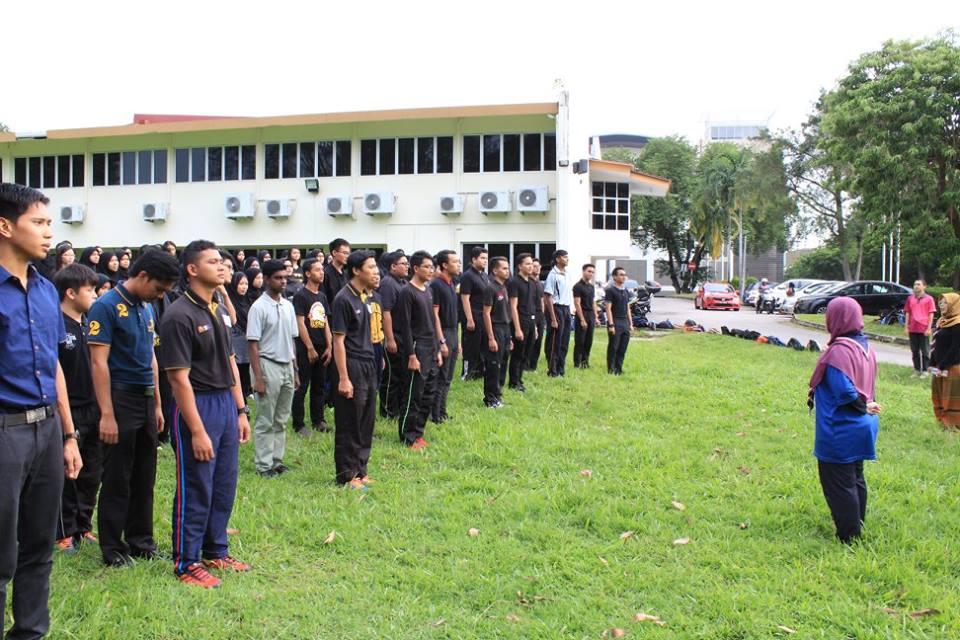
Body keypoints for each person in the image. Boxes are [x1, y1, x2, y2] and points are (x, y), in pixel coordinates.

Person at [0, 183, 82, 639]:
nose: (49, 233)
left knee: (39, 546)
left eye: (50, 223)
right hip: (5, 433)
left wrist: (68, 436)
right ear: (6, 226)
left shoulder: (47, 291)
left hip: (46, 429)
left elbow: (53, 367)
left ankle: (30, 632)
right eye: (39, 222)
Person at [159, 240, 252, 589]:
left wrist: (241, 409)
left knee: (224, 482)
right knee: (196, 484)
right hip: (197, 405)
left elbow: (230, 363)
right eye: (213, 261)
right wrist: (196, 430)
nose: (222, 266)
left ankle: (216, 549)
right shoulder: (179, 314)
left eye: (223, 261)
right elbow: (177, 378)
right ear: (192, 269)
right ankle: (187, 561)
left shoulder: (218, 309)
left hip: (225, 404)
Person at [88, 249, 180, 566]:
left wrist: (156, 402)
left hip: (144, 398)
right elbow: (98, 364)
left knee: (145, 474)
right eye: (159, 289)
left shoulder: (146, 308)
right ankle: (113, 547)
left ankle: (141, 541)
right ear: (142, 276)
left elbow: (151, 358)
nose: (160, 295)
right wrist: (107, 414)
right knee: (117, 475)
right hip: (119, 396)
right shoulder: (106, 307)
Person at [807, 297, 881, 544]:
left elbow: (844, 390)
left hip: (841, 429)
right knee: (855, 477)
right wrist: (867, 406)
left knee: (839, 483)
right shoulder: (865, 347)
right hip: (863, 427)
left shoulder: (839, 351)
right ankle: (856, 525)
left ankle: (848, 536)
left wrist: (862, 406)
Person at [54, 264, 103, 554]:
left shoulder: (89, 325)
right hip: (67, 409)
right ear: (71, 293)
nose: (95, 295)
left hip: (93, 408)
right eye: (90, 289)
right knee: (67, 473)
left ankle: (83, 526)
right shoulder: (57, 326)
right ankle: (63, 531)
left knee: (92, 472)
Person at [331, 250, 380, 488]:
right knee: (350, 420)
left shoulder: (368, 297)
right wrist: (343, 377)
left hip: (369, 362)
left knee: (367, 420)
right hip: (351, 364)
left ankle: (362, 469)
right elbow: (338, 340)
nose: (376, 272)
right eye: (371, 267)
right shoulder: (343, 298)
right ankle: (347, 474)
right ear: (356, 271)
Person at [247, 260, 298, 478]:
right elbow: (252, 344)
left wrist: (295, 370)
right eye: (278, 277)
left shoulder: (288, 305)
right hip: (267, 365)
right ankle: (264, 465)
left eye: (285, 277)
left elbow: (292, 340)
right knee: (266, 419)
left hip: (287, 364)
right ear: (267, 280)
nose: (283, 281)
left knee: (281, 418)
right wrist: (258, 377)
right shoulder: (258, 307)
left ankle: (277, 461)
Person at [394, 251, 441, 449]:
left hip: (430, 346)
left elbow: (431, 321)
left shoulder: (428, 290)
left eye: (432, 267)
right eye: (427, 267)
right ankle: (407, 435)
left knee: (428, 393)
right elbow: (404, 326)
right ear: (415, 268)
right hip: (416, 347)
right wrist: (411, 355)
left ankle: (419, 432)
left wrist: (438, 349)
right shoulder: (407, 292)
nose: (431, 270)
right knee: (414, 393)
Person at [292, 257, 332, 436]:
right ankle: (299, 424)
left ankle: (318, 420)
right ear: (307, 273)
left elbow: (325, 322)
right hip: (306, 348)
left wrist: (330, 346)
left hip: (323, 347)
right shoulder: (301, 296)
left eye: (322, 269)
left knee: (319, 386)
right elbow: (300, 323)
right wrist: (309, 347)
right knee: (302, 386)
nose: (321, 272)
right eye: (317, 270)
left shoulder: (322, 296)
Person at [430, 250, 461, 423]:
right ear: (444, 265)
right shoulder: (436, 285)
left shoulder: (451, 284)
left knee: (448, 377)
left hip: (453, 332)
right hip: (443, 333)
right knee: (440, 377)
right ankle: (435, 415)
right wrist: (441, 341)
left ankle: (442, 411)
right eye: (455, 262)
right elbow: (435, 315)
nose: (458, 265)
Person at [379, 251, 409, 419]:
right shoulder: (388, 284)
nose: (407, 266)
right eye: (403, 264)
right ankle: (388, 411)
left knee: (401, 375)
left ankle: (397, 408)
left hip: (403, 336)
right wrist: (390, 339)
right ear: (393, 266)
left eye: (407, 263)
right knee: (391, 376)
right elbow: (386, 313)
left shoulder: (402, 282)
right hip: (394, 335)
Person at [481, 257, 511, 408]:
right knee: (493, 365)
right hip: (495, 329)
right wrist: (491, 338)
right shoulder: (490, 288)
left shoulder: (504, 288)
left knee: (503, 363)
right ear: (495, 270)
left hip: (505, 329)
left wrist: (509, 336)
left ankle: (498, 395)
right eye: (504, 268)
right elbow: (486, 313)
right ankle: (490, 399)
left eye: (508, 268)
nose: (507, 271)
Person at [507, 253, 538, 392]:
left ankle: (520, 379)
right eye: (527, 264)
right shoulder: (514, 282)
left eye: (531, 264)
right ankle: (514, 382)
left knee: (527, 353)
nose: (530, 267)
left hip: (531, 321)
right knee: (518, 353)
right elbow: (513, 306)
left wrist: (535, 326)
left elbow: (533, 305)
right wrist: (517, 328)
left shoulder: (531, 282)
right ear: (519, 266)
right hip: (520, 321)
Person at [930, 293, 960, 429]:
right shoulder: (942, 321)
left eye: (944, 303)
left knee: (951, 398)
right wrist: (932, 362)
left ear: (953, 305)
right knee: (939, 394)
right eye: (940, 303)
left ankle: (953, 424)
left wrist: (942, 365)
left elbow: (955, 348)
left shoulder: (957, 323)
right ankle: (943, 421)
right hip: (940, 366)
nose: (941, 306)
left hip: (952, 367)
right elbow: (936, 343)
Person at [460, 246, 489, 380]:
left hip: (483, 316)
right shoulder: (467, 276)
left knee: (482, 346)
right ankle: (467, 373)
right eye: (482, 258)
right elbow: (465, 298)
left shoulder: (484, 275)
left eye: (486, 258)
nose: (485, 261)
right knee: (471, 346)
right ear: (474, 259)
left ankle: (479, 371)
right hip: (473, 315)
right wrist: (469, 319)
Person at [544, 249, 573, 377]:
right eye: (565, 257)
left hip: (566, 309)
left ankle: (561, 368)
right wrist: (553, 318)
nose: (567, 259)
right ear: (558, 259)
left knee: (565, 341)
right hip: (557, 308)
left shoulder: (567, 274)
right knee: (555, 341)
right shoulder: (553, 275)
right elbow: (548, 297)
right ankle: (552, 370)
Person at [226, 272, 253, 401]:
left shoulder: (248, 300)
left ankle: (247, 391)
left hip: (247, 339)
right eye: (241, 284)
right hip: (235, 340)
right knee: (238, 368)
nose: (244, 287)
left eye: (246, 284)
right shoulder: (230, 301)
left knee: (246, 367)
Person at [903, 279, 937, 378]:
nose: (916, 286)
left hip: (924, 328)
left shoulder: (929, 299)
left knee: (925, 351)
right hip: (913, 328)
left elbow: (931, 314)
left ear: (924, 287)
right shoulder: (910, 298)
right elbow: (908, 313)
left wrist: (929, 328)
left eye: (918, 284)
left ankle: (925, 370)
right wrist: (906, 327)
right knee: (914, 350)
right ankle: (917, 370)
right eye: (915, 284)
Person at [604, 268, 633, 375]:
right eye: (621, 275)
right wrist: (611, 324)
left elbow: (628, 308)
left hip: (625, 322)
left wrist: (631, 323)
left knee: (623, 347)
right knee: (614, 346)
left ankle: (618, 368)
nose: (623, 277)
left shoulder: (626, 291)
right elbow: (608, 308)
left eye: (624, 275)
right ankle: (611, 369)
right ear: (614, 277)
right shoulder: (610, 290)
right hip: (615, 321)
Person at [572, 264, 598, 369]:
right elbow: (577, 303)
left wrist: (595, 316)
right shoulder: (577, 286)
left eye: (592, 272)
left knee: (589, 340)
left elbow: (593, 302)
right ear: (583, 271)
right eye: (589, 271)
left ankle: (585, 362)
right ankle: (577, 363)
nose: (591, 274)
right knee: (580, 340)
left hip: (590, 314)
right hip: (582, 314)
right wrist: (582, 319)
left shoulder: (591, 287)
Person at [526, 258, 546, 371]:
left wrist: (543, 315)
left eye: (538, 266)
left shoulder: (540, 283)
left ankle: (533, 366)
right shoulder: (527, 282)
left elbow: (542, 300)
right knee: (531, 340)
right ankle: (526, 365)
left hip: (540, 315)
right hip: (530, 315)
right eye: (534, 266)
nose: (537, 268)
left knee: (539, 341)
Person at [324, 238, 350, 305]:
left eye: (348, 253)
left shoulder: (346, 274)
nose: (347, 256)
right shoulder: (325, 274)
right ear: (334, 253)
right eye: (345, 253)